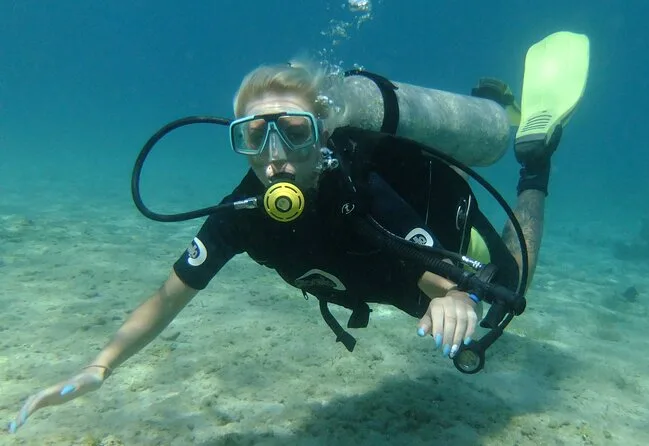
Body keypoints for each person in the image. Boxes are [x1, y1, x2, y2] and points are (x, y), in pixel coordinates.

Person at [8, 31, 589, 433]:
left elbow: (429, 264)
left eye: (293, 131)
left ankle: (533, 165)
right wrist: (101, 365)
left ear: (322, 135)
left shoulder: (358, 187)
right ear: (240, 143)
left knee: (509, 287)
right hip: (374, 278)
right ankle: (492, 108)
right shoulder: (241, 211)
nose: (275, 155)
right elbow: (168, 297)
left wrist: (456, 294)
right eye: (254, 137)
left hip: (441, 222)